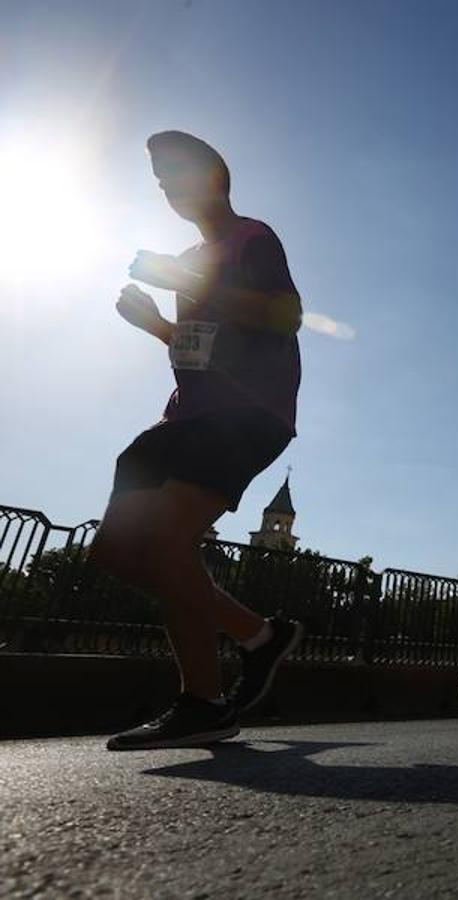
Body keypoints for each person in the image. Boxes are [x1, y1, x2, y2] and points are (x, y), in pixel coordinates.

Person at [88, 132, 305, 751]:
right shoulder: (189, 258)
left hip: (248, 413)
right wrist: (157, 322)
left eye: (172, 171)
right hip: (185, 415)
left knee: (166, 539)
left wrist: (184, 277)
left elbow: (284, 316)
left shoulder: (251, 237)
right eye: (156, 176)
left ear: (212, 175)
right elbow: (199, 355)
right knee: (119, 554)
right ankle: (260, 636)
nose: (164, 185)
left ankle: (202, 702)